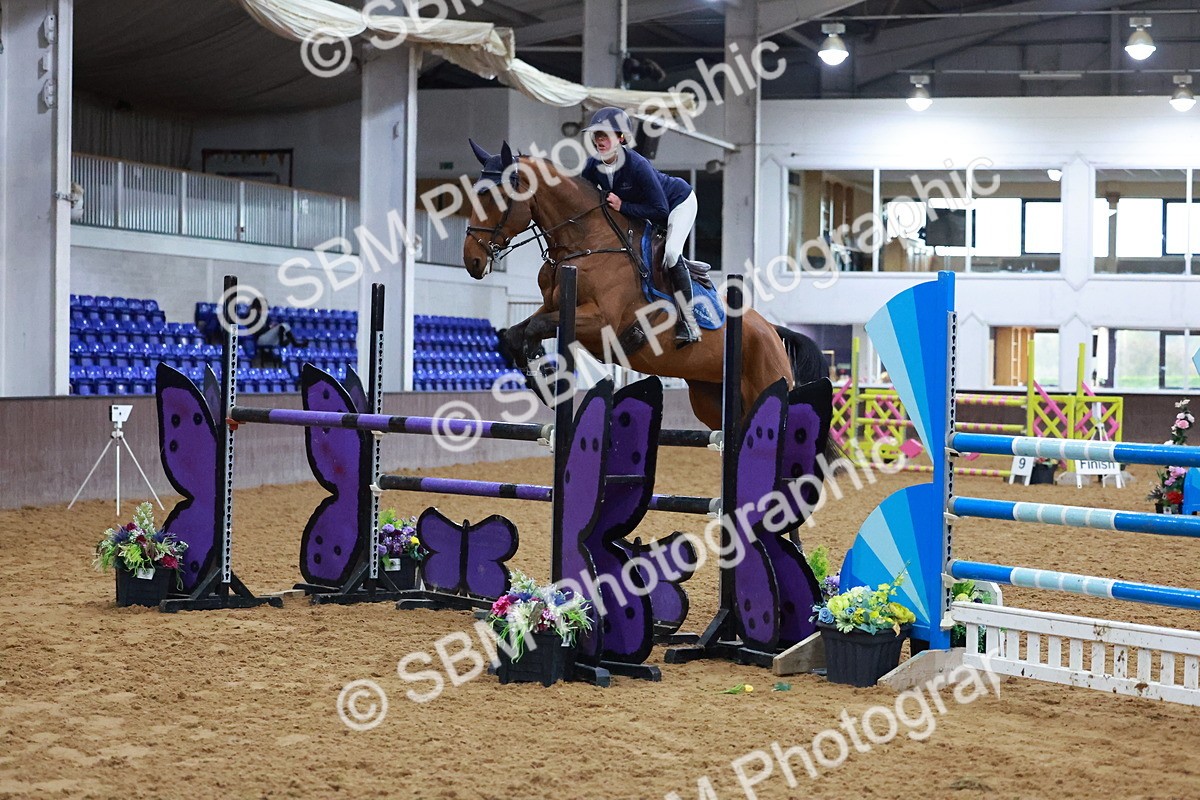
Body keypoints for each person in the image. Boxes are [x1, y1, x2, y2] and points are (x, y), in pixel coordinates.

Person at [580, 107, 702, 346]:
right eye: (597, 135)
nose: (600, 140)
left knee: (671, 253)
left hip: (678, 203)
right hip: (646, 210)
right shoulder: (592, 166)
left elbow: (660, 211)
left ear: (621, 138)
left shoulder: (637, 165)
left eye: (606, 135)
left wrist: (623, 205)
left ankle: (689, 323)